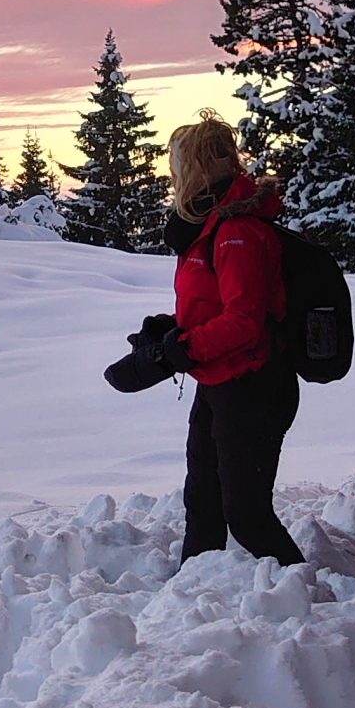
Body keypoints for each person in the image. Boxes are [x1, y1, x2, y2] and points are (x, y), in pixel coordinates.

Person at [105, 114, 302, 566]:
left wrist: (182, 351)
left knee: (247, 514)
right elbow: (215, 305)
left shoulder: (236, 233)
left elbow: (245, 321)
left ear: (198, 170)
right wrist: (170, 328)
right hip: (218, 381)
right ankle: (192, 592)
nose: (175, 180)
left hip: (253, 386)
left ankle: (312, 604)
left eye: (179, 168)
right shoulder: (209, 230)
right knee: (204, 502)